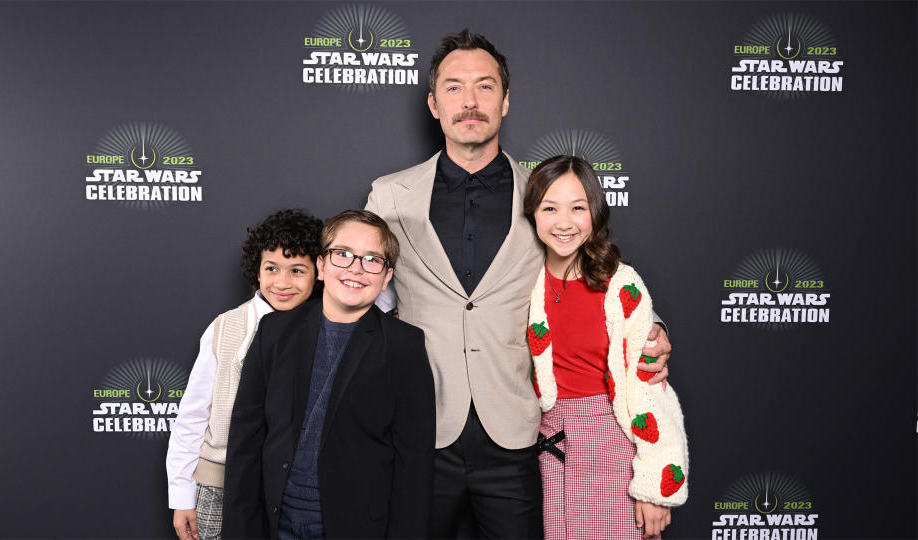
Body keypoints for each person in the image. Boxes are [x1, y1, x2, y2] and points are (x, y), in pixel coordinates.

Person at [365, 29, 673, 537]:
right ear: (432, 103)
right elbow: (354, 291)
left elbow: (596, 275)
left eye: (485, 87)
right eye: (454, 87)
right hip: (420, 431)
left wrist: (652, 329)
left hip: (517, 432)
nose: (470, 101)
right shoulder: (389, 195)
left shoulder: (546, 194)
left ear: (505, 101)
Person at [222, 209, 436, 539]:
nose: (356, 268)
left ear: (386, 276)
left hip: (357, 526)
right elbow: (245, 443)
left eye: (372, 260)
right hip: (275, 523)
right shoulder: (274, 332)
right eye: (343, 255)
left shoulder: (403, 346)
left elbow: (414, 464)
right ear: (321, 265)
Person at [523, 155, 688, 539]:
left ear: (595, 212)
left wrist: (653, 486)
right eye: (550, 208)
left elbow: (648, 389)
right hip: (544, 451)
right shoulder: (524, 280)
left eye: (578, 208)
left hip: (613, 446)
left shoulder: (620, 285)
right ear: (532, 214)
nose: (564, 222)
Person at [166, 209, 324, 540]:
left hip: (297, 491)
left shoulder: (328, 331)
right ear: (256, 269)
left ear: (319, 272)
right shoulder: (226, 327)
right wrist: (181, 496)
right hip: (220, 486)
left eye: (297, 270)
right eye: (272, 269)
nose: (282, 282)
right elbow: (192, 417)